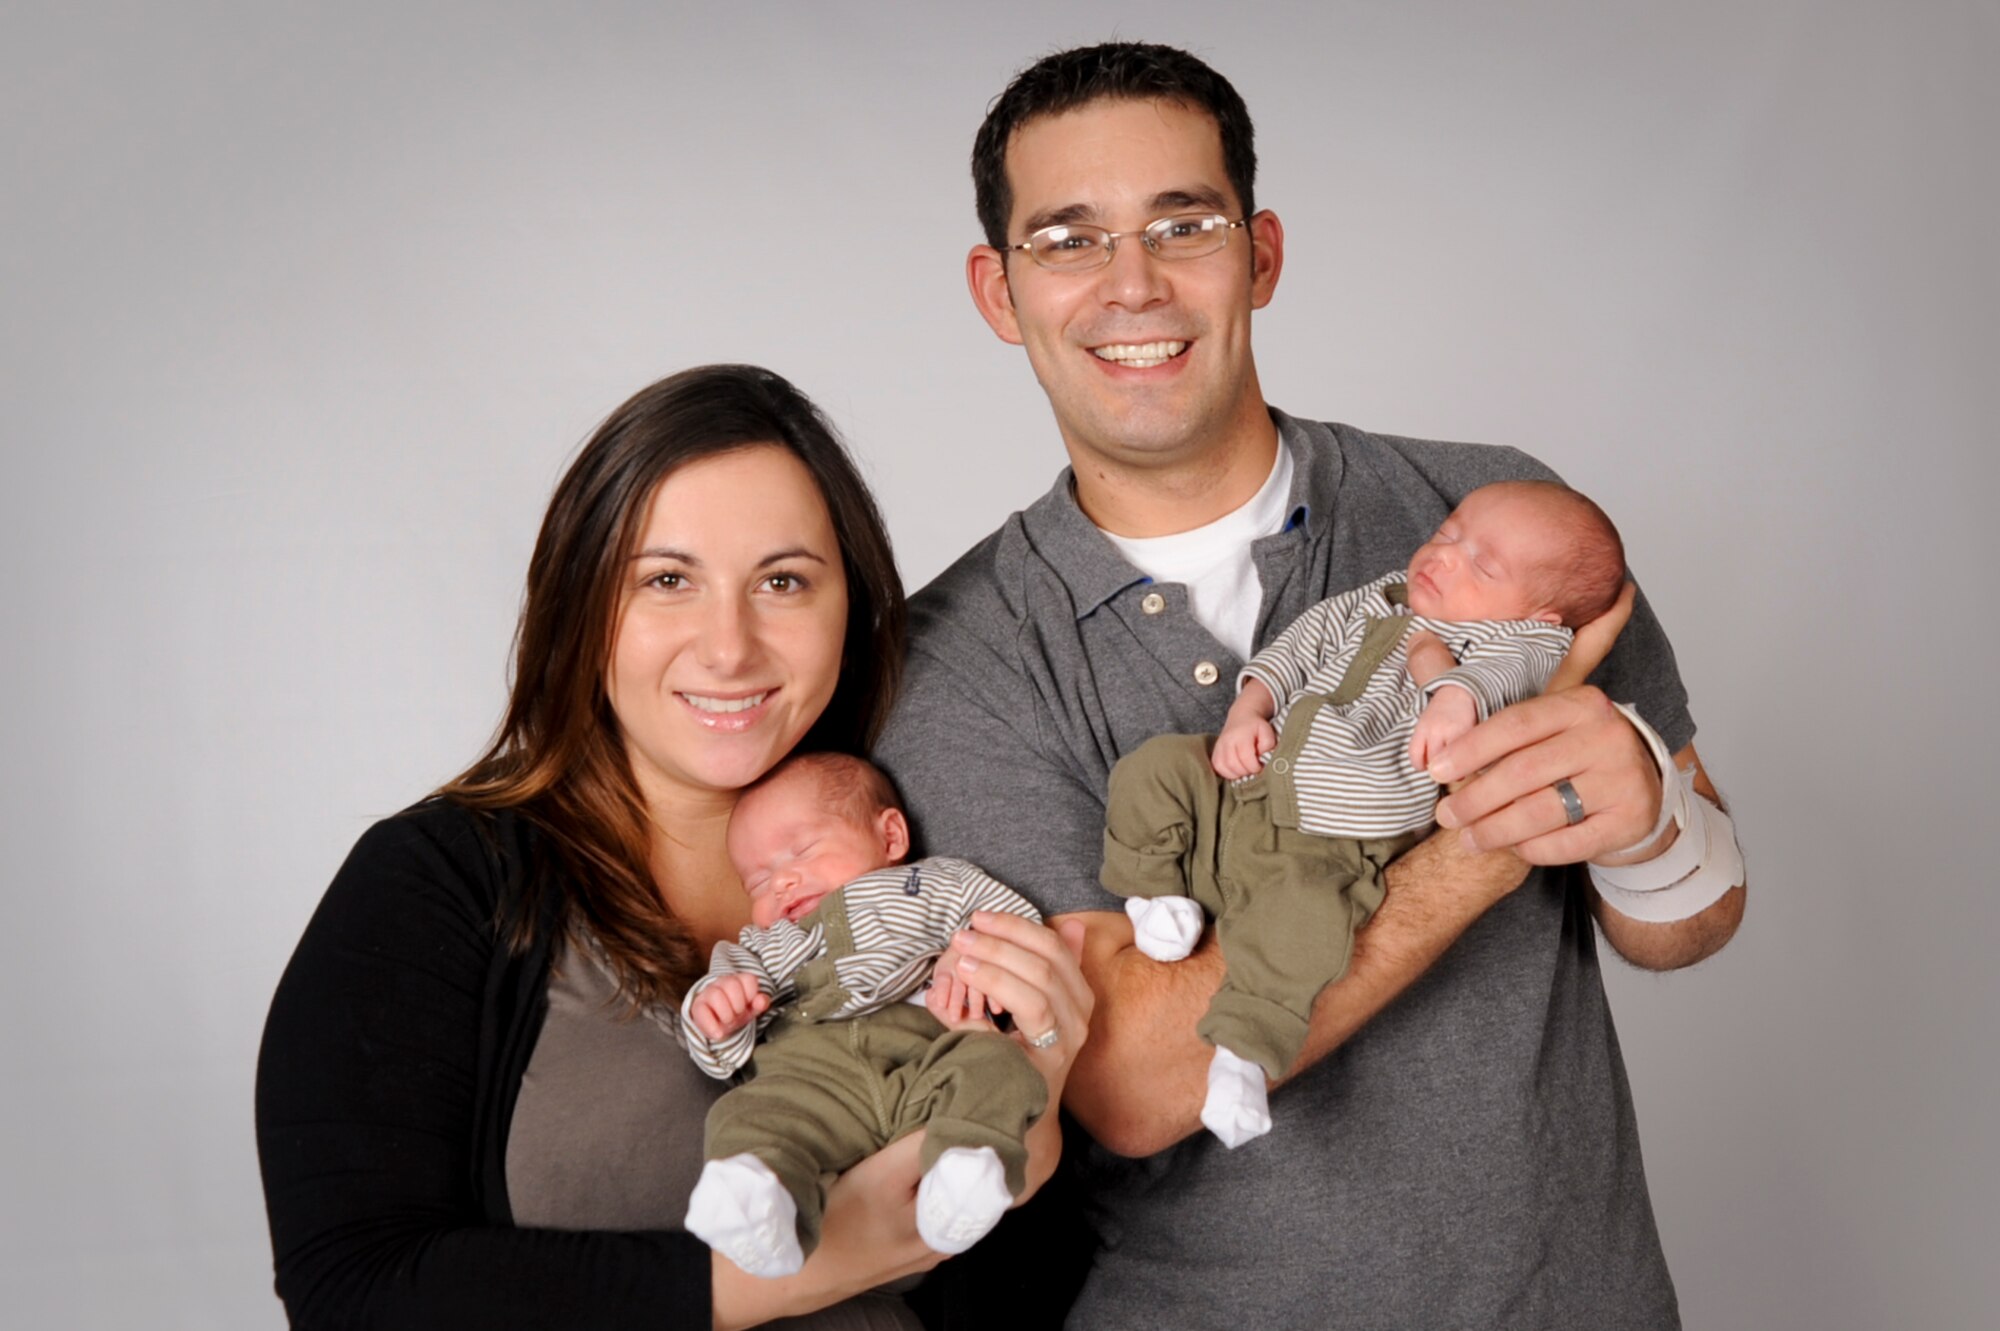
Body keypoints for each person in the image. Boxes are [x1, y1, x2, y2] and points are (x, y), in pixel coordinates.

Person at [873, 43, 1747, 1329]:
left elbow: (1688, 916)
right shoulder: (954, 662)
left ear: (1260, 254)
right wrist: (1480, 846)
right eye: (1067, 239)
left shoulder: (1493, 510)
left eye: (1183, 222)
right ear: (997, 292)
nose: (1132, 282)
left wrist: (1650, 820)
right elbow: (1129, 1077)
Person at [255, 365, 1094, 1331]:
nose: (729, 646)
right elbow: (355, 1291)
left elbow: (1033, 1295)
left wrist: (1041, 1107)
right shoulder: (433, 882)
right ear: (581, 604)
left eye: (783, 581)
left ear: (851, 609)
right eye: (667, 580)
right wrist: (796, 1264)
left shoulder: (926, 861)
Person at [1105, 481, 1624, 1147]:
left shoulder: (1517, 643)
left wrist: (1450, 700)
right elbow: (1303, 643)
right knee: (1158, 768)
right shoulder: (1384, 597)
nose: (1443, 556)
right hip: (1253, 787)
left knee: (1300, 928)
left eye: (1482, 565)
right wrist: (1249, 709)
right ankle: (1154, 893)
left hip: (1333, 842)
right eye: (1448, 533)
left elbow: (1501, 678)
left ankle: (1245, 1054)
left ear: (1542, 614)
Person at [680, 752, 1054, 1277]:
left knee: (998, 1066)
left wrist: (964, 955)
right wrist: (718, 1011)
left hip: (927, 1054)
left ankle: (965, 1172)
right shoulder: (760, 947)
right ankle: (765, 1206)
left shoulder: (931, 887)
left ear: (891, 837)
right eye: (757, 884)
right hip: (815, 1076)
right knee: (745, 1115)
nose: (782, 883)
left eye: (802, 851)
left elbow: (1020, 926)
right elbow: (716, 1048)